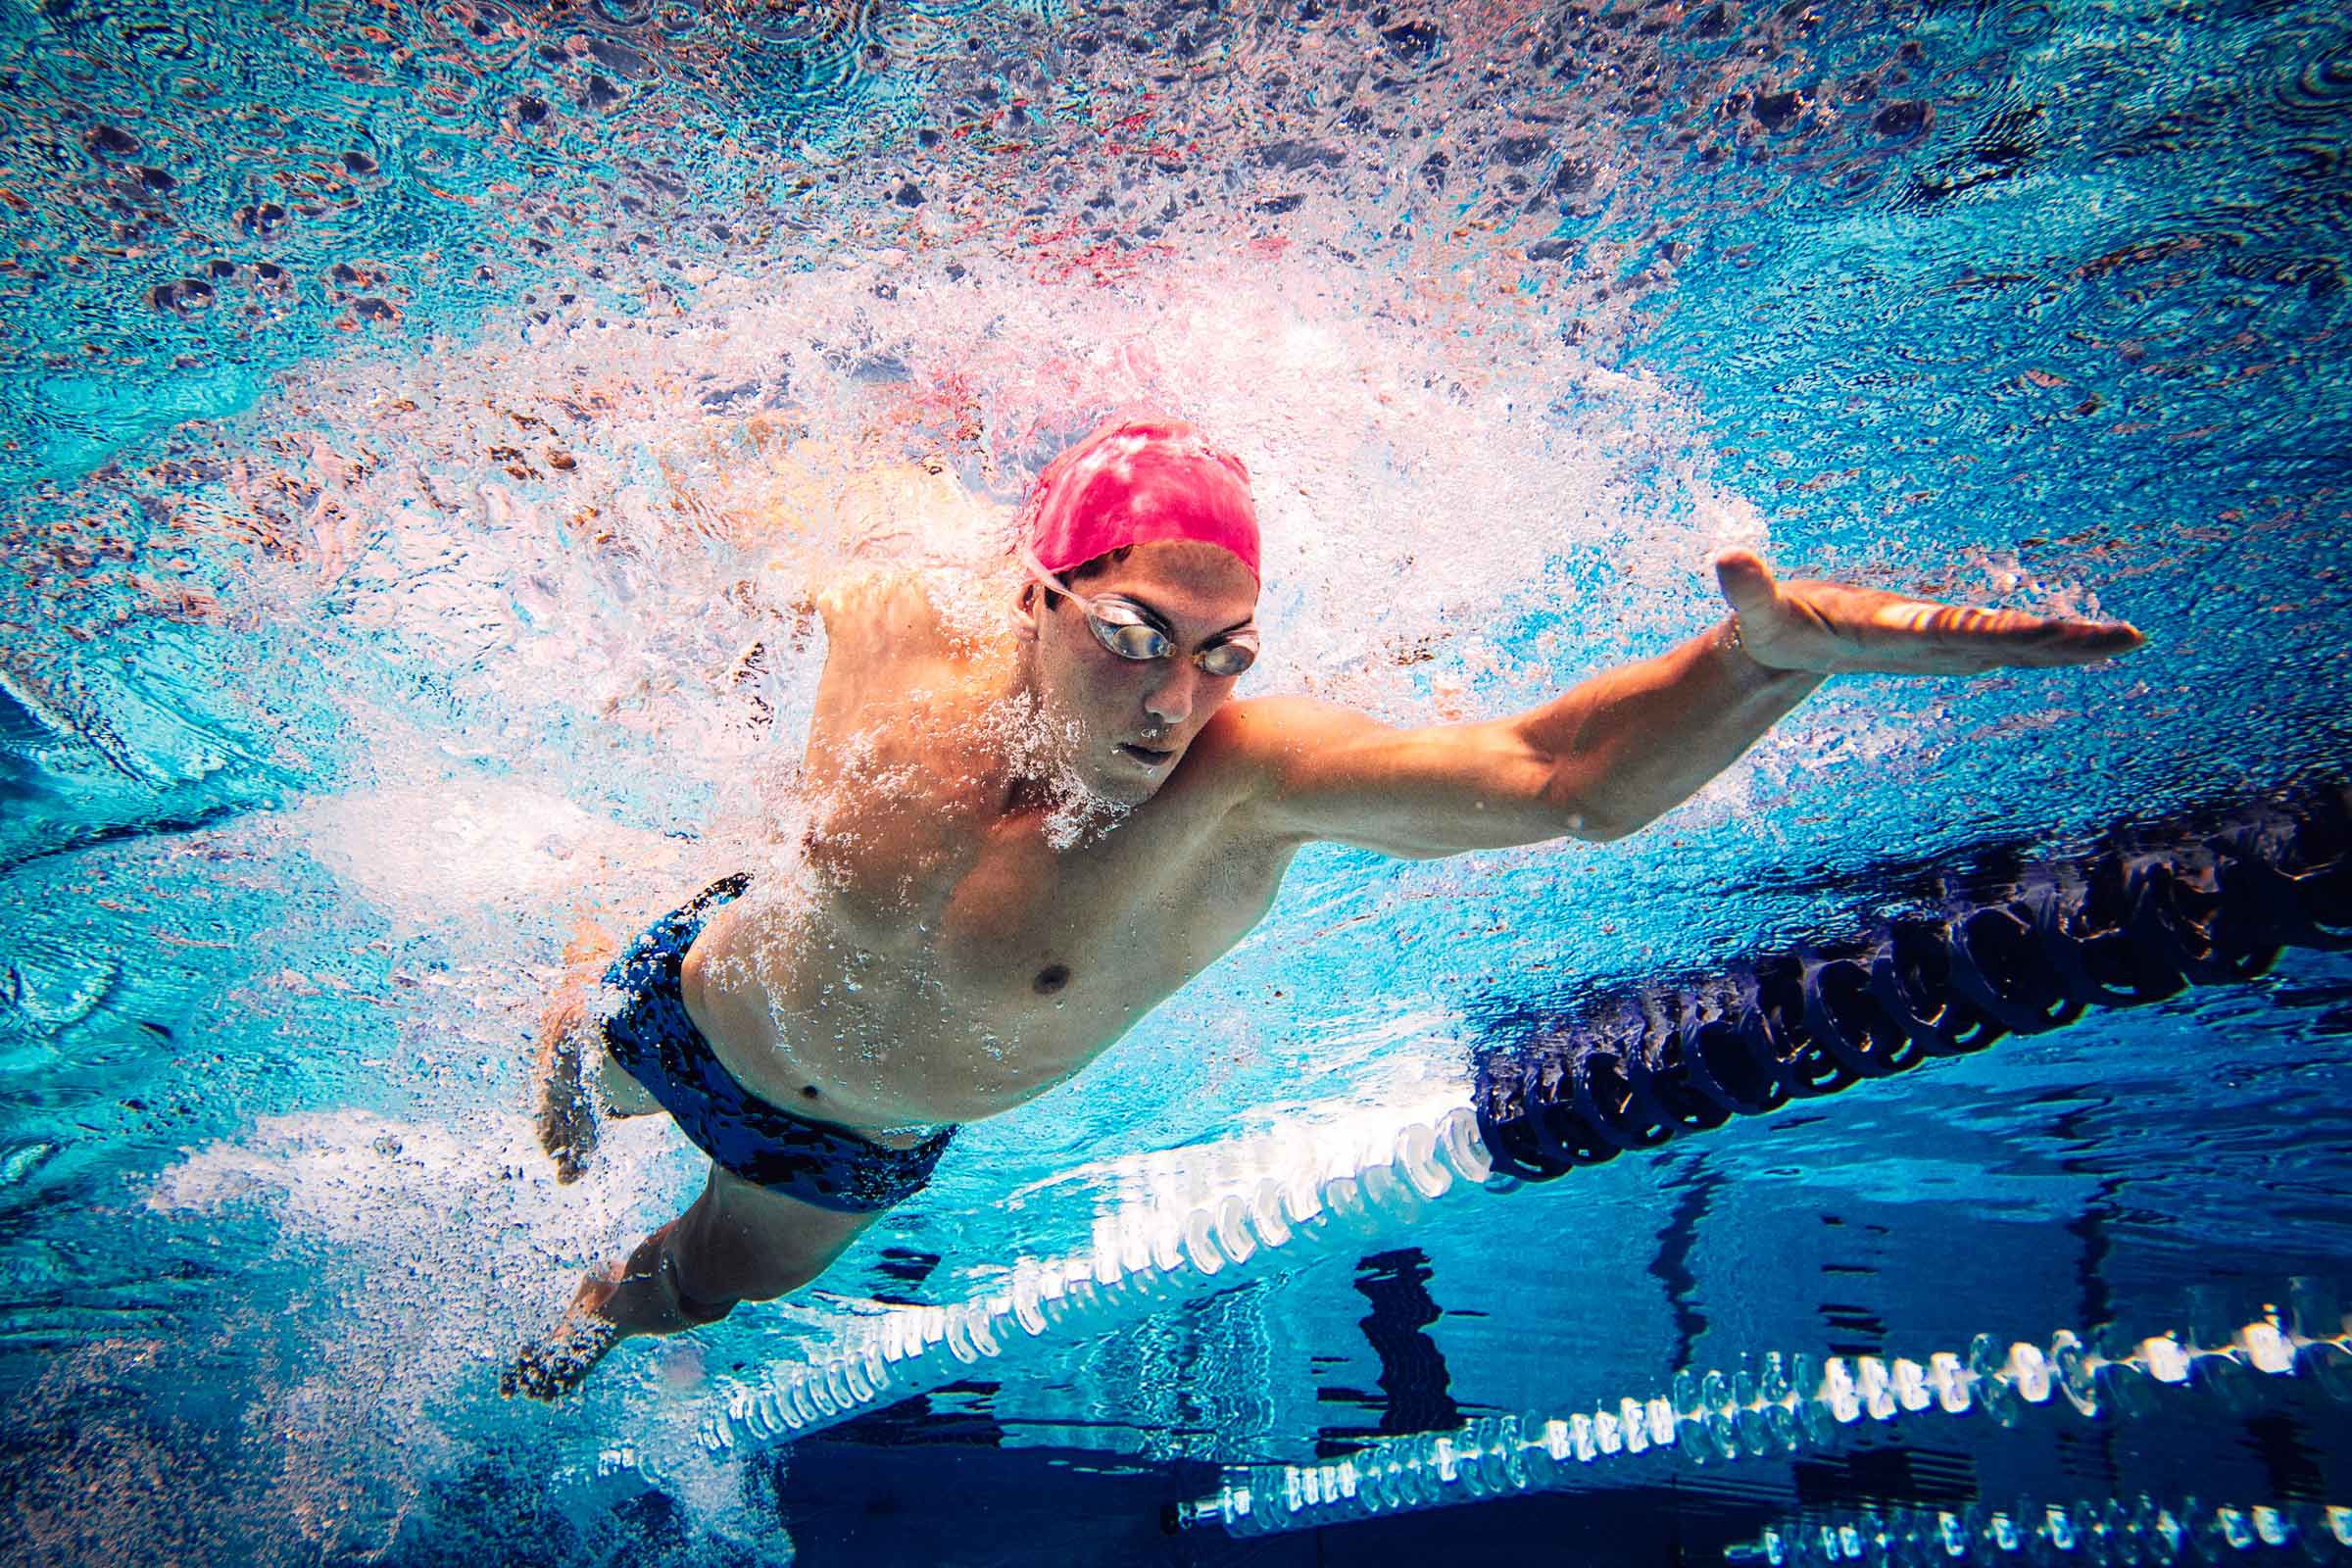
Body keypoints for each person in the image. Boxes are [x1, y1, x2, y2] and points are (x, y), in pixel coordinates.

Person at [502, 413, 2144, 1399]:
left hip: (840, 1143)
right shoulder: (896, 611)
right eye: (1139, 637)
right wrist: (588, 489)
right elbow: (723, 501)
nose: (1173, 704)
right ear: (1036, 595)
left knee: (697, 1287)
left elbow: (1557, 773)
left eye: (1225, 657)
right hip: (694, 991)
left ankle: (574, 1324)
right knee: (569, 1092)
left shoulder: (1245, 779)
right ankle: (577, 1029)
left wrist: (1750, 668)